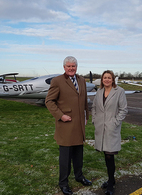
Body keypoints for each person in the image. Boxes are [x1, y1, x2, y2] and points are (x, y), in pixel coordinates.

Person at [45, 56, 92, 195]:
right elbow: (49, 101)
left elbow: (83, 100)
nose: (71, 68)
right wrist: (61, 116)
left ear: (76, 67)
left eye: (73, 66)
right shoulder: (57, 81)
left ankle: (79, 176)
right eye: (68, 66)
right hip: (66, 124)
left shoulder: (81, 80)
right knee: (65, 157)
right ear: (64, 67)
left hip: (79, 124)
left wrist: (86, 116)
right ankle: (63, 183)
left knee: (78, 154)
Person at [91, 70, 128, 195]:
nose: (106, 79)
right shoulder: (99, 92)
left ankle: (111, 183)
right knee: (105, 154)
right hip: (100, 128)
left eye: (109, 77)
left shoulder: (119, 92)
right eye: (104, 77)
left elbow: (123, 110)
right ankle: (111, 179)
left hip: (112, 128)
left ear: (112, 79)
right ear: (102, 80)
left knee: (109, 155)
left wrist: (115, 122)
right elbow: (94, 107)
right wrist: (94, 120)